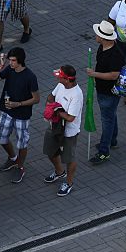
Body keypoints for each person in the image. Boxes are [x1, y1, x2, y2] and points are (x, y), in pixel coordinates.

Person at [0, 48, 39, 183]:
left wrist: (19, 104)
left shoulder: (30, 76)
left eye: (13, 61)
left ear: (20, 61)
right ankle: (13, 158)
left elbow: (36, 99)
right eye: (10, 60)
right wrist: (1, 65)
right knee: (2, 138)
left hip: (22, 114)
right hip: (7, 111)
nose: (10, 63)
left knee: (22, 142)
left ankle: (20, 166)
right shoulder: (9, 70)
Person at [42, 65, 83, 196]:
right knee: (50, 151)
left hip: (69, 132)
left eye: (60, 77)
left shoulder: (77, 95)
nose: (58, 79)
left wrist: (56, 111)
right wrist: (50, 105)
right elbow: (51, 96)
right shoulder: (61, 85)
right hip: (54, 125)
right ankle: (59, 172)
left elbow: (70, 117)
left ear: (67, 79)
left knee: (69, 159)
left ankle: (69, 183)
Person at [88, 21, 124, 164]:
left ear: (103, 37)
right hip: (104, 90)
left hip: (109, 92)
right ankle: (112, 140)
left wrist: (94, 74)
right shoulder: (103, 47)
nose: (95, 35)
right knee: (111, 115)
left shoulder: (114, 54)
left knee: (107, 120)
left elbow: (114, 75)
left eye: (98, 34)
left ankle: (104, 151)